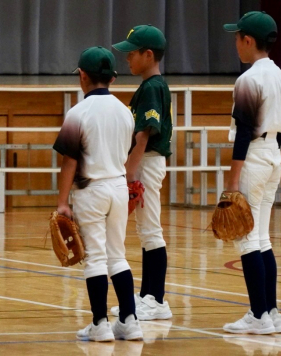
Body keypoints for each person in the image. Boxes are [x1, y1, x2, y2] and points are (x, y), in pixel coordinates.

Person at [54, 46, 143, 342]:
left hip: (90, 190)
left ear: (82, 76)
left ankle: (100, 324)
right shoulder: (125, 111)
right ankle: (130, 322)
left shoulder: (78, 113)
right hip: (118, 187)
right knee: (118, 255)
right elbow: (128, 149)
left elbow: (70, 160)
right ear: (113, 79)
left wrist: (62, 202)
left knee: (94, 258)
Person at [222, 11, 281, 334]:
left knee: (247, 241)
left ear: (248, 40)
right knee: (262, 237)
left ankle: (259, 315)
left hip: (254, 156)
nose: (235, 42)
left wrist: (233, 180)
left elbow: (245, 131)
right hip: (274, 154)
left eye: (237, 37)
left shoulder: (248, 80)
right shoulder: (279, 75)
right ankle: (272, 313)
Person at [110, 25, 173, 321]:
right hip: (145, 161)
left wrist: (129, 172)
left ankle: (156, 298)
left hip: (146, 161)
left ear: (148, 55)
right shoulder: (151, 85)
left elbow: (145, 134)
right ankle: (149, 295)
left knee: (150, 229)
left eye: (132, 53)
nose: (127, 58)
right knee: (145, 230)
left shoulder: (151, 88)